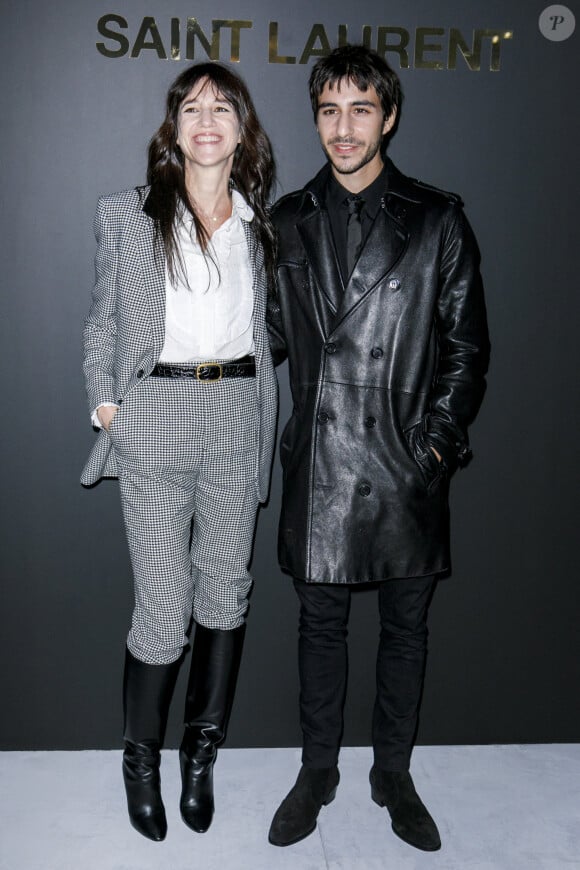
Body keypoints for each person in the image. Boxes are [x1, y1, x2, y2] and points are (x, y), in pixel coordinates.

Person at [267, 44, 489, 852]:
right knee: (318, 629)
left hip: (404, 471)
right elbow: (265, 341)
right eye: (329, 110)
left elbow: (467, 351)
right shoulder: (286, 219)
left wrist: (434, 447)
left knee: (406, 632)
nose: (343, 127)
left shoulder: (437, 221)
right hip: (321, 472)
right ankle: (317, 771)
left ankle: (392, 774)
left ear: (388, 116)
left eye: (361, 109)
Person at [81, 62, 277, 842]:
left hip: (235, 412)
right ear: (174, 129)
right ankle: (141, 760)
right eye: (190, 106)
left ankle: (201, 757)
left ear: (240, 130)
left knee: (225, 596)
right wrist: (105, 401)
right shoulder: (127, 215)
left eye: (221, 107)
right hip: (155, 412)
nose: (205, 118)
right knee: (163, 611)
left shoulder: (261, 223)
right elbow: (101, 320)